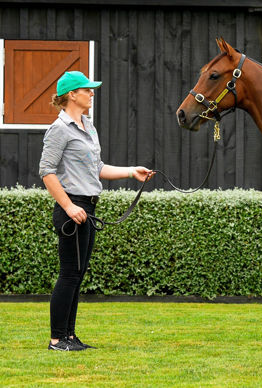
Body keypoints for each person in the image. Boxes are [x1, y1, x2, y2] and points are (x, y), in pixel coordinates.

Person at [39, 71, 154, 351]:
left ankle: (69, 336)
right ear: (71, 95)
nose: (92, 93)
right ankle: (57, 339)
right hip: (72, 207)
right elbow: (46, 171)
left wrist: (131, 172)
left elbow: (97, 168)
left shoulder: (88, 126)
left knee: (77, 274)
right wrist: (68, 206)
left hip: (87, 207)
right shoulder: (60, 129)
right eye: (87, 90)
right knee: (69, 274)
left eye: (92, 89)